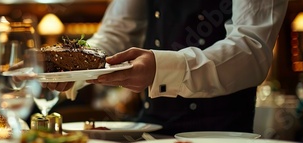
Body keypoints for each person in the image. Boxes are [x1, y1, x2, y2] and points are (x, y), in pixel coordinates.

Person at [44, 0, 288, 135]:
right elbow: (116, 33)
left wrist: (161, 68)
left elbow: (252, 50)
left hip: (221, 133)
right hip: (151, 128)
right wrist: (66, 63)